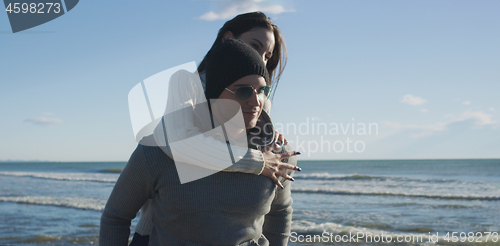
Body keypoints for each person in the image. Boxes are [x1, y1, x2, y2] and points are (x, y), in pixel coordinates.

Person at [100, 39, 297, 246]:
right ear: (213, 93)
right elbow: (116, 217)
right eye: (244, 91)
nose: (256, 101)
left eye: (262, 91)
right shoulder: (157, 151)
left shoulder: (276, 153)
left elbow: (281, 213)